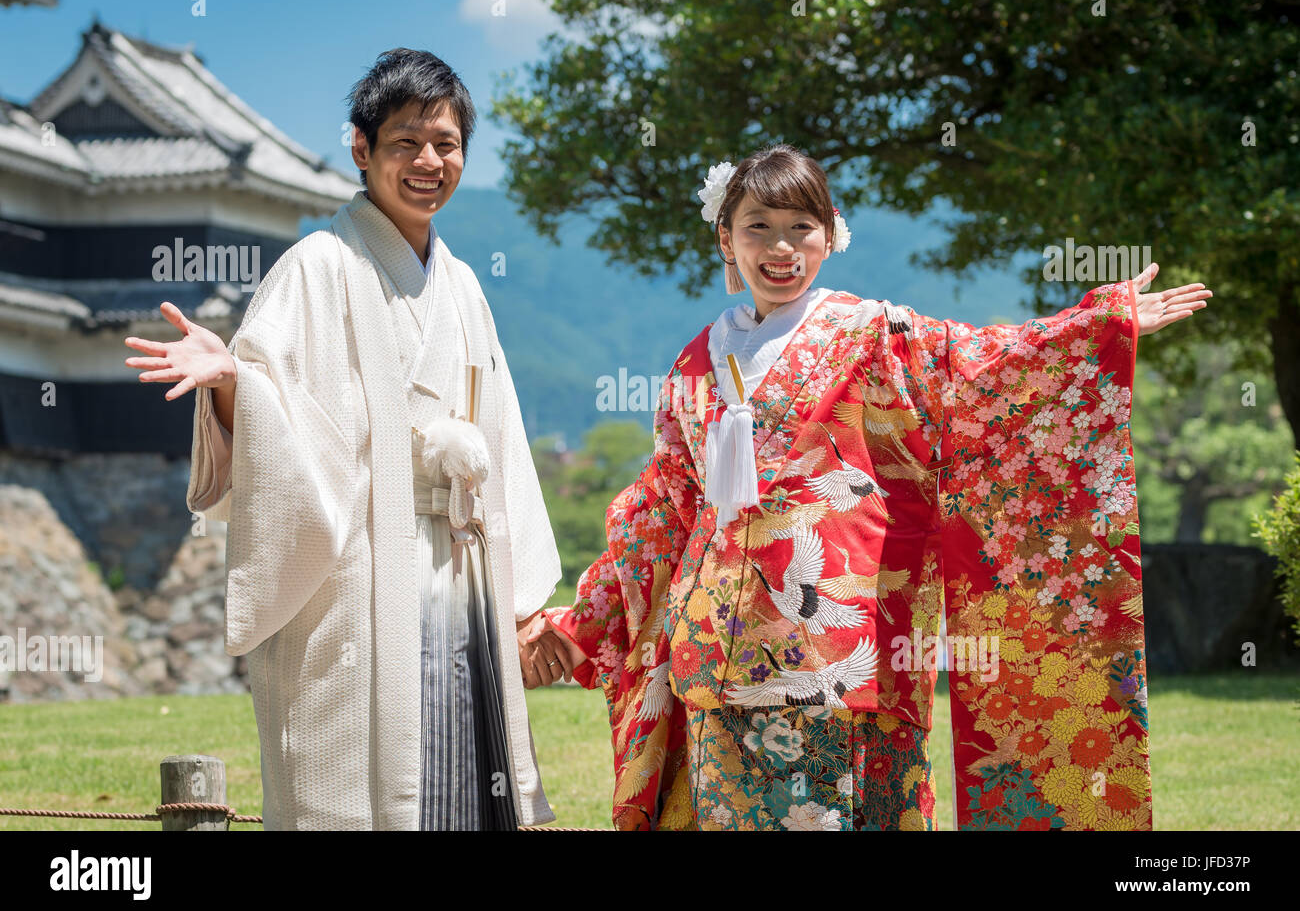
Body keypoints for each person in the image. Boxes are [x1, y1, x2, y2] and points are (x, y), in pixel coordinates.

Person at [521, 143, 1211, 830]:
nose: (780, 246)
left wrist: (1095, 325)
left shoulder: (872, 333)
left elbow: (980, 366)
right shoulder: (695, 362)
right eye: (758, 225)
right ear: (724, 238)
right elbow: (662, 512)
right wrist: (577, 625)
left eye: (801, 226)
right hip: (711, 661)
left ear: (831, 235)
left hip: (842, 653)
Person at [124, 49, 574, 830]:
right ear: (362, 149)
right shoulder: (314, 268)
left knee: (460, 779)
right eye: (406, 142)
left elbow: (502, 442)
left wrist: (524, 602)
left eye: (447, 142)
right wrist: (232, 381)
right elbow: (280, 422)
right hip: (360, 577)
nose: (429, 161)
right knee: (357, 778)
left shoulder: (464, 287)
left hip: (459, 574)